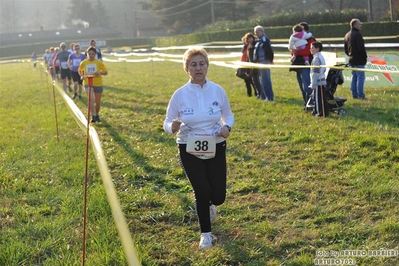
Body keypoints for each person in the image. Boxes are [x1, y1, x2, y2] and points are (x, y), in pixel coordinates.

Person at [163, 47, 234, 250]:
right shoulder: (179, 95)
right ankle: (206, 234)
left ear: (207, 66)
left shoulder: (218, 90)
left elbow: (228, 116)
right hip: (188, 147)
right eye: (193, 65)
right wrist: (172, 127)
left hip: (216, 146)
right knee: (201, 191)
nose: (198, 68)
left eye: (202, 63)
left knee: (218, 196)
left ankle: (211, 205)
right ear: (187, 69)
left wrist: (227, 127)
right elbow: (167, 121)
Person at [78, 46, 108, 122]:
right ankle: (93, 115)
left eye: (92, 54)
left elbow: (106, 72)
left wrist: (100, 72)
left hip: (98, 83)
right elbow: (80, 70)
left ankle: (96, 114)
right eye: (89, 53)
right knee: (91, 98)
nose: (91, 55)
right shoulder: (84, 62)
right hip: (87, 82)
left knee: (97, 102)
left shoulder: (98, 62)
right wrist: (82, 76)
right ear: (87, 54)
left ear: (95, 54)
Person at [291, 22, 315, 108]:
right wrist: (293, 52)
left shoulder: (311, 39)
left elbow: (308, 51)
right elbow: (292, 51)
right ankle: (306, 103)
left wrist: (296, 52)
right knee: (301, 86)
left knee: (307, 86)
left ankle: (312, 104)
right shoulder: (296, 40)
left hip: (306, 64)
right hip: (298, 65)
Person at [344, 18, 367, 100]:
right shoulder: (358, 35)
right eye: (359, 24)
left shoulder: (347, 35)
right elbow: (361, 48)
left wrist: (350, 55)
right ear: (354, 25)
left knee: (354, 77)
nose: (360, 26)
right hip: (359, 60)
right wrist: (364, 57)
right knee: (360, 78)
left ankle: (354, 94)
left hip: (351, 59)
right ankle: (360, 95)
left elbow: (346, 49)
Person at [253, 25, 274, 102]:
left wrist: (270, 60)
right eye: (255, 32)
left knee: (266, 80)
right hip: (259, 62)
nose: (256, 33)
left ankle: (270, 97)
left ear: (262, 31)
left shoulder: (265, 40)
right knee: (262, 80)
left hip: (264, 62)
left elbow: (269, 50)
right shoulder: (259, 40)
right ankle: (264, 96)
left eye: (257, 32)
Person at [309, 41, 328, 117]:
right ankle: (323, 112)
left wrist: (313, 84)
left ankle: (318, 112)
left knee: (318, 99)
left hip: (318, 82)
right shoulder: (321, 57)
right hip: (322, 80)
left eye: (312, 48)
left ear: (317, 49)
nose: (310, 49)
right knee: (322, 97)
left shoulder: (316, 59)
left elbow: (315, 73)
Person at [244, 32, 262, 97]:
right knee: (254, 81)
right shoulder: (248, 47)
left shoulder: (256, 45)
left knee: (259, 80)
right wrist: (247, 69)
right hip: (251, 66)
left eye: (251, 38)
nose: (250, 40)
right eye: (248, 39)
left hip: (257, 65)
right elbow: (248, 59)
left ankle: (261, 93)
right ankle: (258, 93)